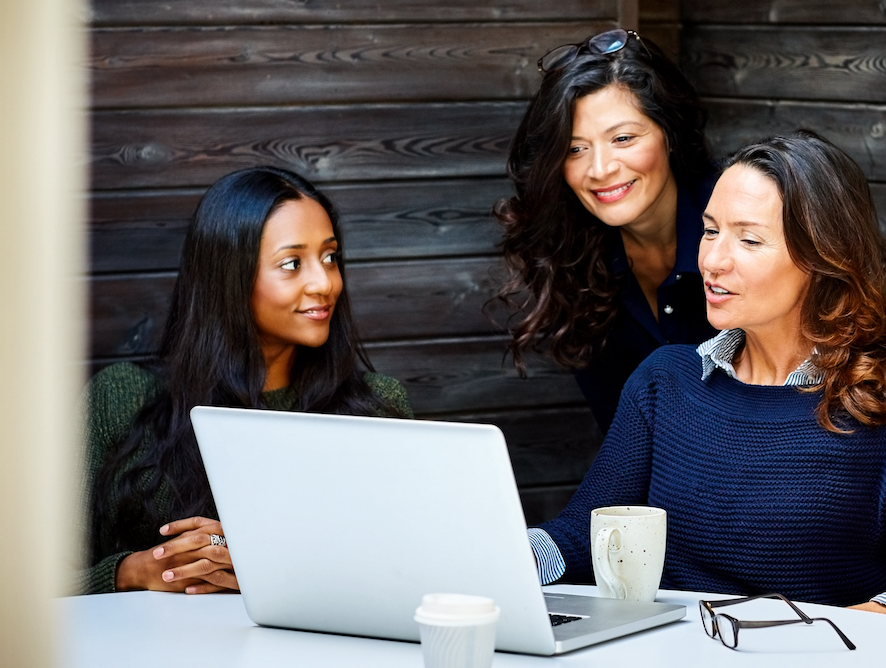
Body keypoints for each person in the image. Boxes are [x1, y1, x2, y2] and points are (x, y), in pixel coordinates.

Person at [527, 132, 886, 640]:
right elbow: (576, 539)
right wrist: (488, 554)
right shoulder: (665, 382)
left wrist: (858, 623)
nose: (713, 261)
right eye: (709, 231)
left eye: (748, 239)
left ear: (821, 260)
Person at [78, 166, 413, 595]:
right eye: (292, 264)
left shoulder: (378, 407)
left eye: (330, 257)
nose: (324, 282)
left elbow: (402, 572)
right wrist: (133, 572)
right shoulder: (120, 397)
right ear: (229, 279)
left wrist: (279, 569)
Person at [494, 29, 717, 430]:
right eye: (576, 148)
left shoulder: (744, 226)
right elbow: (624, 437)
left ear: (670, 134)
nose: (599, 169)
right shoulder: (573, 257)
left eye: (623, 138)